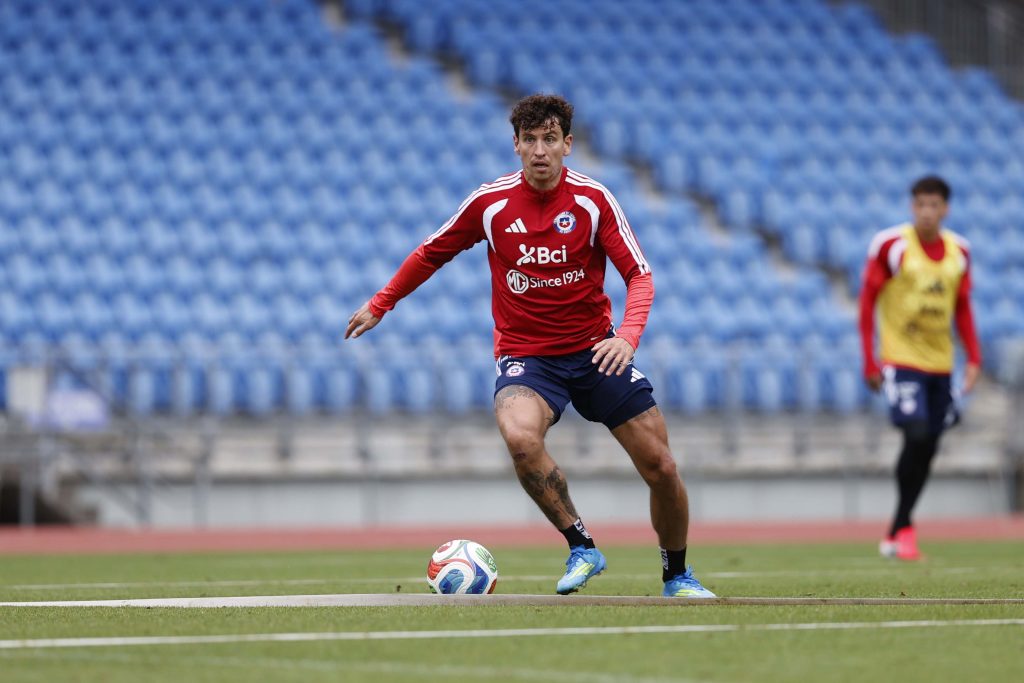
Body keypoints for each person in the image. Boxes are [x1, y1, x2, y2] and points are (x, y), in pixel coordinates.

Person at [345, 94, 714, 598]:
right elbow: (431, 253)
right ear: (516, 145)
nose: (540, 150)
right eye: (530, 139)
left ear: (568, 144)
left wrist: (628, 337)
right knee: (520, 438)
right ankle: (581, 546)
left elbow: (640, 275)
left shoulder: (593, 201)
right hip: (528, 356)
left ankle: (677, 575)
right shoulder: (490, 204)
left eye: (550, 139)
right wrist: (381, 303)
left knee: (662, 467)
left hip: (596, 350)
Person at [859, 175, 981, 561]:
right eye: (920, 205)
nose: (927, 212)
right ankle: (904, 528)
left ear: (945, 209)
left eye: (934, 205)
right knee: (915, 433)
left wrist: (974, 357)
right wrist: (870, 359)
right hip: (902, 359)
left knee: (928, 444)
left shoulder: (960, 252)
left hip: (941, 364)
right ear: (912, 207)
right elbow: (867, 302)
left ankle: (898, 528)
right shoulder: (891, 246)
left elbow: (962, 307)